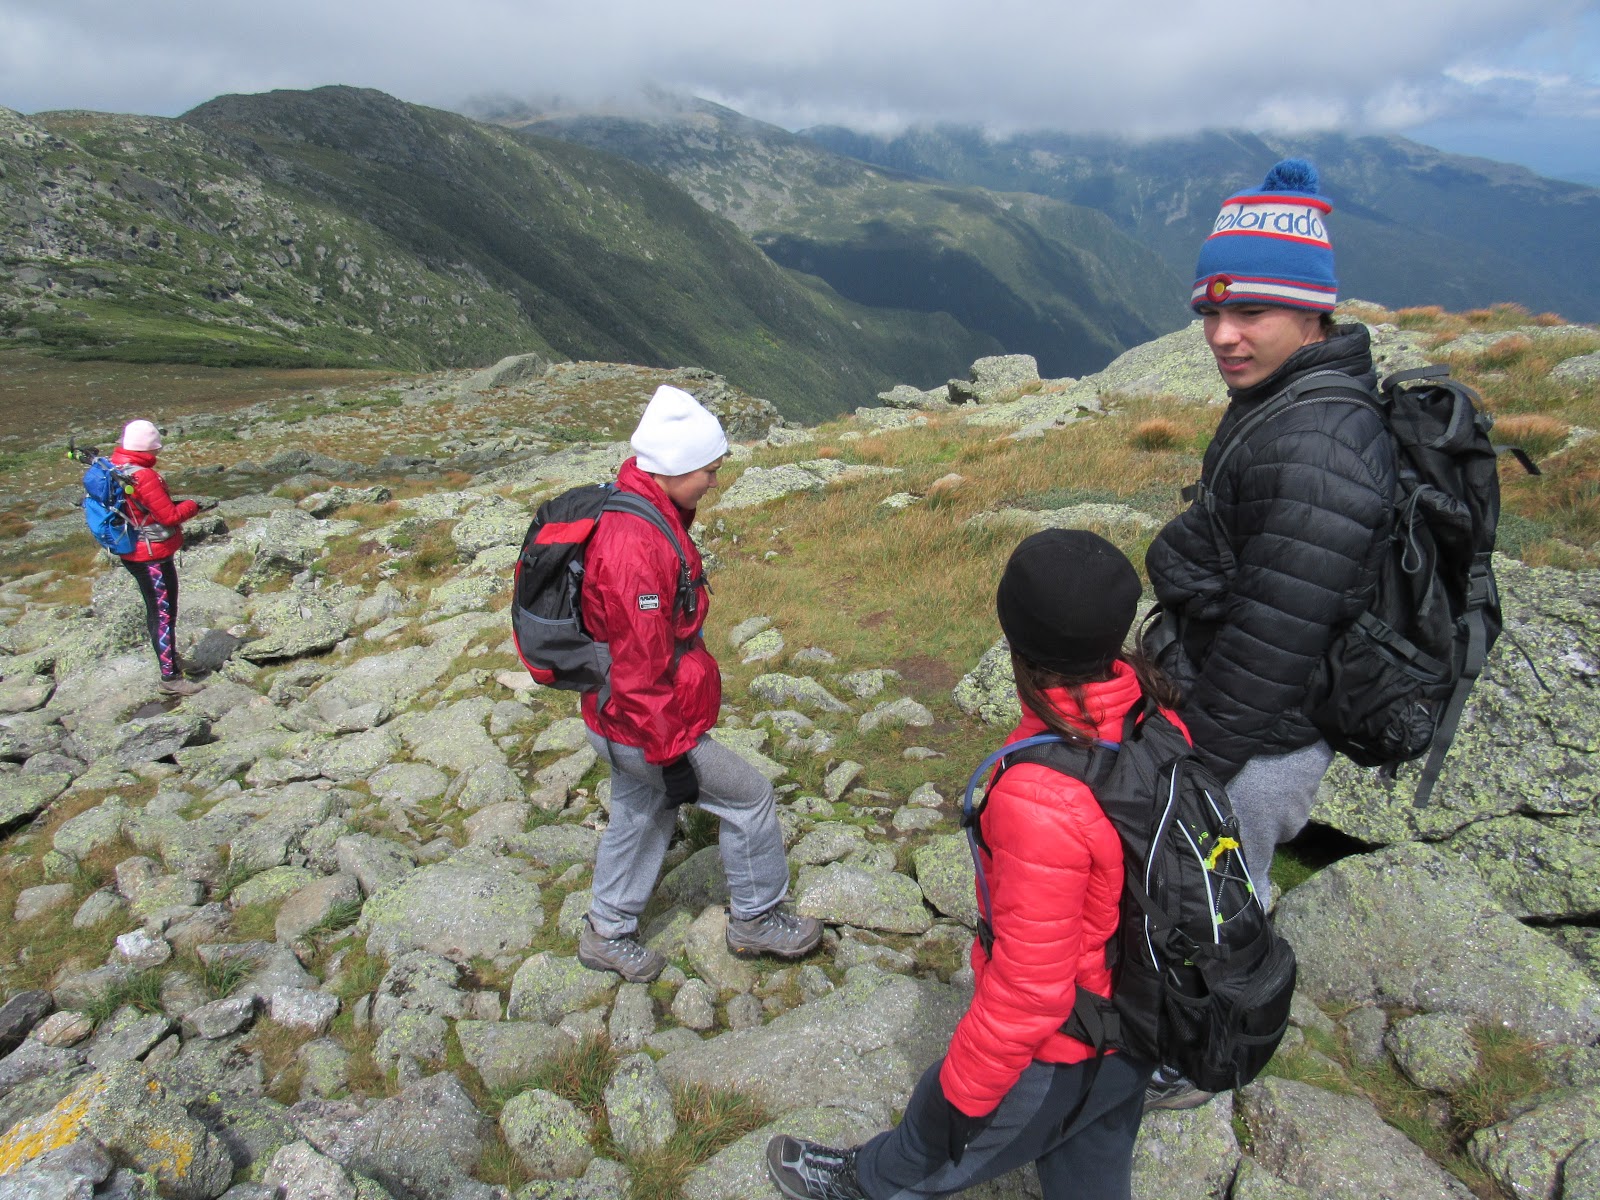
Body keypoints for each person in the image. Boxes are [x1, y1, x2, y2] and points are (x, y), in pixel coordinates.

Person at [767, 529, 1166, 1200]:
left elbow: (1031, 990)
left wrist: (961, 1094)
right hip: (1143, 1023)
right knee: (1090, 1163)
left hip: (1071, 1041)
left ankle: (867, 1183)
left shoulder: (1040, 795)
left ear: (1017, 644)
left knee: (935, 1131)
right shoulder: (1153, 716)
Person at [1145, 159, 1395, 903]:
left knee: (1218, 902)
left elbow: (1271, 646)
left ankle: (1229, 1013)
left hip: (1259, 742)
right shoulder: (1283, 395)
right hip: (1239, 711)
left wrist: (1196, 768)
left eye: (1251, 314)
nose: (1223, 336)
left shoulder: (1319, 447)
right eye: (1211, 316)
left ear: (1313, 312)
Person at [577, 384, 822, 983]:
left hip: (611, 720)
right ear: (676, 468)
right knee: (749, 797)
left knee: (641, 810)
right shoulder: (636, 547)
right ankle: (757, 919)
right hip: (642, 727)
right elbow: (639, 670)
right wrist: (671, 754)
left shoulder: (645, 509)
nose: (715, 481)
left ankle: (606, 931)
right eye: (709, 471)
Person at [112, 419, 217, 697]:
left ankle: (170, 658)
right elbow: (168, 516)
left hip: (133, 548)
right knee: (163, 613)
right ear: (150, 447)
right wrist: (193, 505)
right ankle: (170, 677)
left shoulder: (116, 466)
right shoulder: (143, 475)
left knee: (158, 611)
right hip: (151, 555)